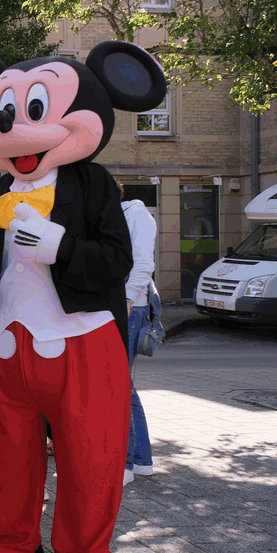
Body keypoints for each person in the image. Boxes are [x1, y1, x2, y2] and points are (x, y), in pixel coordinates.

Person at [121, 191, 157, 486]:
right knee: (125, 387)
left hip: (129, 309)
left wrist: (128, 300)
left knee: (119, 386)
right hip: (123, 307)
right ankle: (141, 460)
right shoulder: (118, 214)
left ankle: (127, 463)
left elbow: (144, 263)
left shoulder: (135, 214)